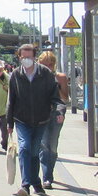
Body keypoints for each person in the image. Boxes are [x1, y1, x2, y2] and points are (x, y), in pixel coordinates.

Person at [5, 42, 64, 196]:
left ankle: (36, 182)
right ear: (19, 57)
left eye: (29, 57)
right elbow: (11, 100)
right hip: (22, 119)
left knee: (34, 152)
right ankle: (25, 185)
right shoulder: (16, 75)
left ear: (34, 57)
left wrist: (59, 111)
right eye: (23, 57)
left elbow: (55, 97)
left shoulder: (45, 74)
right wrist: (9, 122)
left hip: (41, 120)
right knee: (24, 148)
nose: (26, 60)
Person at [36, 51, 69, 188]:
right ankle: (47, 177)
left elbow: (65, 98)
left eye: (50, 64)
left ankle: (50, 171)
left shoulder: (60, 77)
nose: (48, 67)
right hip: (41, 113)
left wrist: (58, 86)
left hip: (56, 114)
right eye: (44, 64)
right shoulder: (36, 77)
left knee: (53, 146)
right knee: (44, 145)